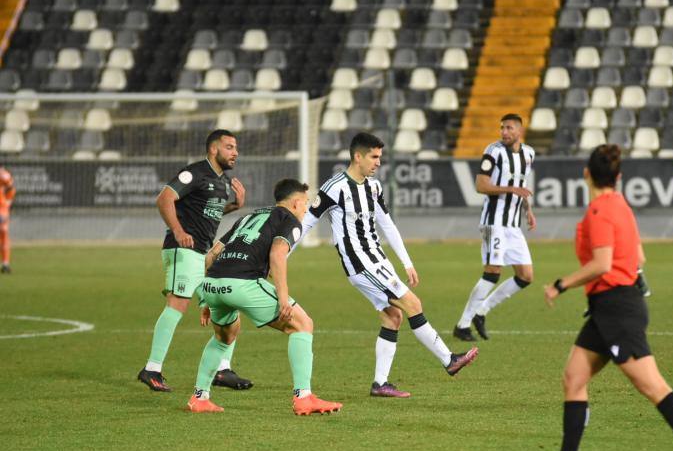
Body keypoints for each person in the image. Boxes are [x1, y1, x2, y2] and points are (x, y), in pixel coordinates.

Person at [542, 144, 673, 451]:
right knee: (574, 377)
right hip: (609, 307)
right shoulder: (621, 205)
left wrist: (561, 284)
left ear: (586, 174)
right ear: (619, 177)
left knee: (652, 385)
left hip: (617, 309)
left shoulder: (598, 211)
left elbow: (601, 264)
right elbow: (638, 257)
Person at [300, 132, 478, 398]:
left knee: (392, 317)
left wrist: (407, 262)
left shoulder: (374, 187)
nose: (378, 162)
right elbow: (307, 222)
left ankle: (379, 384)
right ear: (357, 156)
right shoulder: (334, 187)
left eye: (380, 157)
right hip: (360, 262)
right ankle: (449, 360)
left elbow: (387, 225)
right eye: (374, 156)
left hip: (377, 259)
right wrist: (281, 254)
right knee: (413, 305)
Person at [188, 179, 342, 415]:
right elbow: (277, 255)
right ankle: (304, 397)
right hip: (243, 283)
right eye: (305, 204)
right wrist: (283, 298)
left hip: (212, 284)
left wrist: (206, 300)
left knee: (224, 336)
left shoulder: (248, 217)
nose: (306, 209)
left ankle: (200, 397)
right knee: (302, 325)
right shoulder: (289, 220)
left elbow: (211, 255)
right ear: (297, 202)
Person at [138, 130, 252, 392]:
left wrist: (234, 207)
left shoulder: (222, 182)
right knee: (178, 304)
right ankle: (152, 369)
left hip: (202, 254)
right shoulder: (195, 172)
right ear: (214, 149)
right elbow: (164, 198)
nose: (235, 152)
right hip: (183, 249)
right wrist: (178, 231)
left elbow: (206, 212)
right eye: (229, 147)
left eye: (236, 147)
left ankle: (222, 370)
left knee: (225, 301)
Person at [453, 113, 536, 342]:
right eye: (502, 128)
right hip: (494, 222)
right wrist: (511, 191)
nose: (504, 132)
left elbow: (521, 185)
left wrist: (527, 209)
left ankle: (482, 311)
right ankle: (462, 325)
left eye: (509, 128)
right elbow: (481, 185)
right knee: (492, 272)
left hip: (512, 224)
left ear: (520, 130)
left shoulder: (529, 154)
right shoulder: (493, 151)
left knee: (526, 276)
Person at [0, 166, 15, 274]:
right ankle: (5, 263)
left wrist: (8, 202)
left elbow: (11, 188)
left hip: (1, 209)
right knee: (4, 234)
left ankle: (5, 263)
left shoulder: (3, 173)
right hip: (3, 209)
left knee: (3, 233)